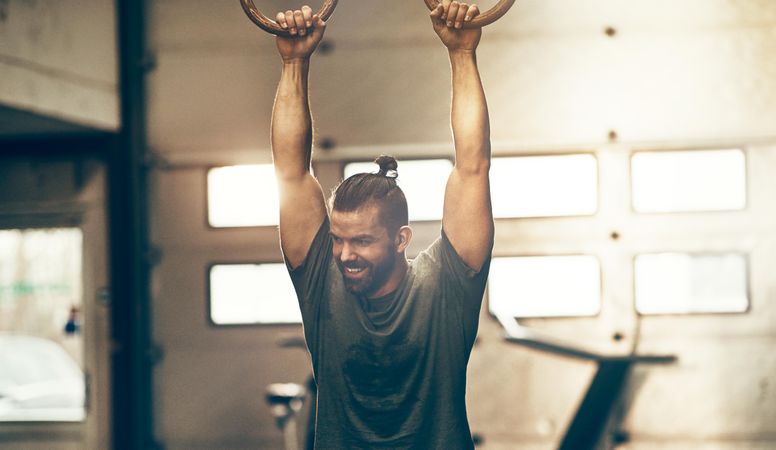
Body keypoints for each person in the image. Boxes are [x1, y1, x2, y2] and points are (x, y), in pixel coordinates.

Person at [270, 1, 493, 448]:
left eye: (363, 241)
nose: (345, 255)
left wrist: (462, 53)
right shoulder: (321, 281)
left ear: (401, 239)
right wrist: (294, 62)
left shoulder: (446, 285)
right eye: (338, 240)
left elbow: (473, 166)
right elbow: (291, 171)